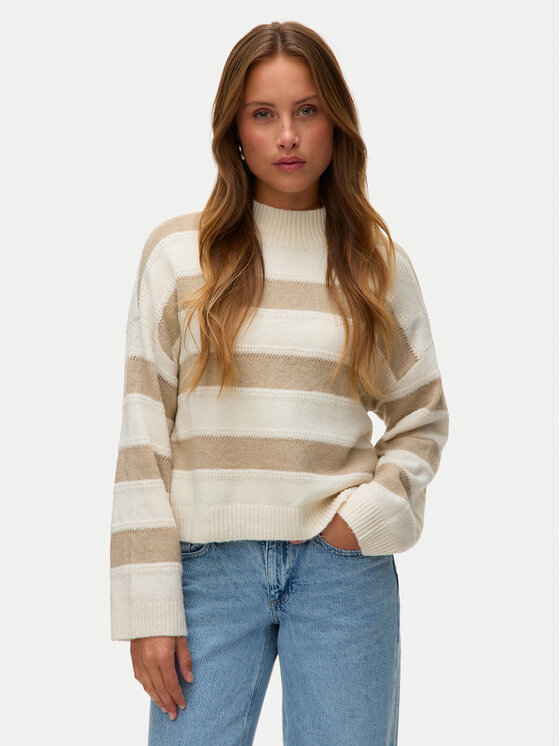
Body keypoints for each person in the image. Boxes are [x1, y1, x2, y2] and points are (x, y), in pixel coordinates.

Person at [110, 20, 449, 746]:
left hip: (340, 574)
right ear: (234, 129)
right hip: (206, 576)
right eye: (263, 114)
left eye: (307, 111)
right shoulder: (179, 256)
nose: (287, 136)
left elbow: (421, 418)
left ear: (336, 123)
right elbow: (143, 438)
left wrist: (363, 522)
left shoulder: (377, 265)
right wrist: (146, 607)